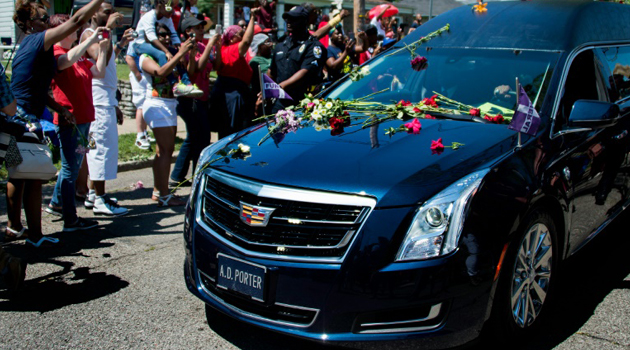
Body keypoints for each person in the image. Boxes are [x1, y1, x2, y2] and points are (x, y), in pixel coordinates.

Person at [10, 0, 105, 246]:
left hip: (59, 117)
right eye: (43, 18)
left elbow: (38, 88)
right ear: (31, 24)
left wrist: (58, 108)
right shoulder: (37, 41)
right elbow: (76, 21)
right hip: (23, 117)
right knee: (31, 174)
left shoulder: (42, 51)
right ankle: (28, 230)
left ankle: (27, 230)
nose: (46, 21)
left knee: (25, 174)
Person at [45, 14, 109, 231]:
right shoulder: (56, 53)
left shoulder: (79, 55)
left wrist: (103, 48)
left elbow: (99, 72)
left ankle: (56, 203)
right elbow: (67, 62)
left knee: (73, 164)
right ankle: (70, 220)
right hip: (69, 120)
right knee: (71, 168)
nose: (75, 30)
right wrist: (89, 41)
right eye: (71, 27)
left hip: (85, 120)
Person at [80, 0, 132, 216]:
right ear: (94, 14)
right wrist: (109, 29)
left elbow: (109, 62)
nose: (112, 15)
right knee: (99, 149)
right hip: (97, 102)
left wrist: (120, 43)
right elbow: (100, 57)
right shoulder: (88, 34)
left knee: (102, 149)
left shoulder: (102, 35)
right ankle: (100, 200)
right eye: (106, 12)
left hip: (106, 100)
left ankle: (93, 195)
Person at [139, 24, 194, 206]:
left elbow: (186, 75)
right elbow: (161, 72)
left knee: (163, 151)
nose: (166, 38)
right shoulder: (145, 57)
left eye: (168, 35)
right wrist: (179, 54)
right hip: (156, 105)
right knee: (165, 151)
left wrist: (187, 55)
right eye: (161, 35)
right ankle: (164, 195)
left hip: (170, 104)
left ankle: (158, 191)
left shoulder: (170, 54)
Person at [170, 16, 221, 185]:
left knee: (196, 137)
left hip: (202, 97)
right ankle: (193, 175)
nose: (202, 30)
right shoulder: (184, 48)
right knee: (199, 137)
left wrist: (217, 47)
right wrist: (209, 46)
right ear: (187, 31)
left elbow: (215, 66)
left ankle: (180, 175)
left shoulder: (202, 46)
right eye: (197, 27)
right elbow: (194, 71)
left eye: (202, 27)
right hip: (190, 99)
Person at [131, 0, 201, 97]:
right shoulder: (149, 16)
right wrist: (166, 51)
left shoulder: (167, 18)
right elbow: (152, 37)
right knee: (161, 54)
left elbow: (173, 34)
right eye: (170, 7)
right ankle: (174, 84)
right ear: (160, 4)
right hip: (141, 44)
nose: (172, 11)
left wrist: (180, 48)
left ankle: (186, 82)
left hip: (156, 43)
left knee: (177, 54)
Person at [210, 7, 260, 138]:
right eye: (240, 34)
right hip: (233, 95)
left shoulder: (222, 50)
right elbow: (247, 41)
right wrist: (253, 18)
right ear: (232, 39)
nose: (243, 36)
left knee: (225, 131)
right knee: (234, 132)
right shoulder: (232, 49)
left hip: (224, 92)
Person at [268, 6, 327, 113]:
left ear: (305, 21)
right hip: (280, 103)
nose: (289, 22)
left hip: (304, 104)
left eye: (294, 19)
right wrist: (266, 90)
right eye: (287, 19)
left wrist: (278, 88)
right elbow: (272, 72)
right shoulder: (280, 46)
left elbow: (305, 72)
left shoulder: (314, 47)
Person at [248, 33, 272, 116]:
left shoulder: (272, 57)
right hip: (261, 97)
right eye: (267, 42)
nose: (271, 45)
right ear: (259, 46)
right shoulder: (256, 61)